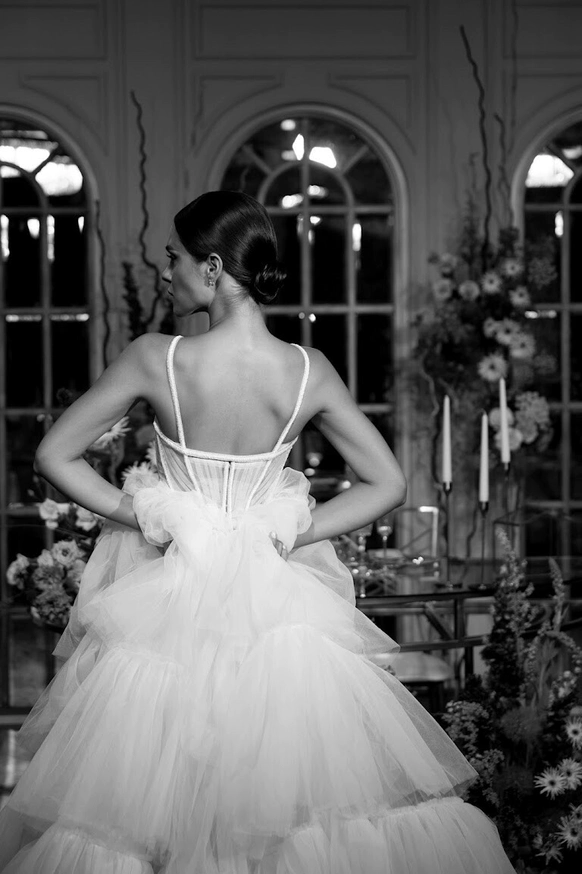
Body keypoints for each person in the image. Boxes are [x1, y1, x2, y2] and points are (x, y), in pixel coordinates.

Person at [0, 191, 516, 873]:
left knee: (142, 800)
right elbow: (387, 483)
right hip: (275, 605)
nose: (165, 273)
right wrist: (289, 533)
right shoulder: (307, 369)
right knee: (301, 797)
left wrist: (155, 517)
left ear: (213, 267)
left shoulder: (158, 358)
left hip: (170, 605)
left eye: (174, 258)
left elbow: (54, 454)